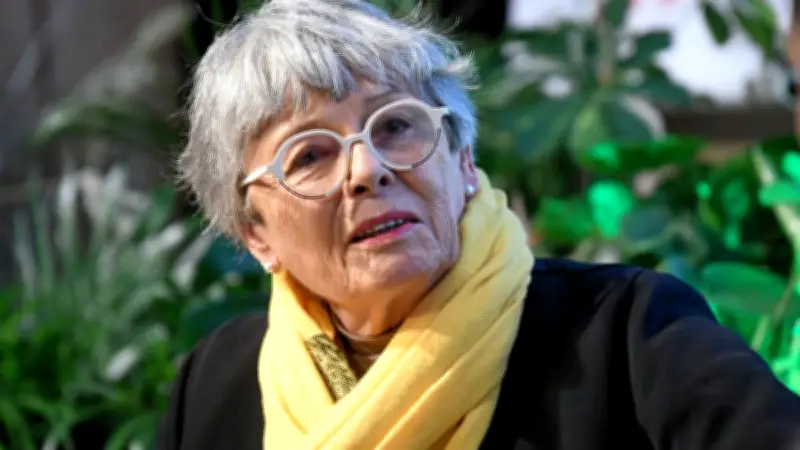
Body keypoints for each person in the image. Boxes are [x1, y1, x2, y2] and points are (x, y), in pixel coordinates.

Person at [156, 0, 800, 448]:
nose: (367, 169)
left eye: (396, 125)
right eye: (310, 156)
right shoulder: (216, 384)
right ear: (256, 235)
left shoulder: (628, 336)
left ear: (463, 161)